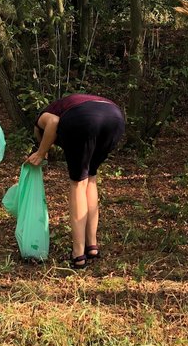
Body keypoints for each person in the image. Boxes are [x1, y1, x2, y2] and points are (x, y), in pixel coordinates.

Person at [25, 94, 126, 269]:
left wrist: (41, 152)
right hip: (115, 118)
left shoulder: (43, 116)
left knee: (78, 183)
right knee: (90, 177)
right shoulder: (70, 103)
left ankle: (78, 253)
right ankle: (92, 245)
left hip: (84, 120)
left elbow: (53, 123)